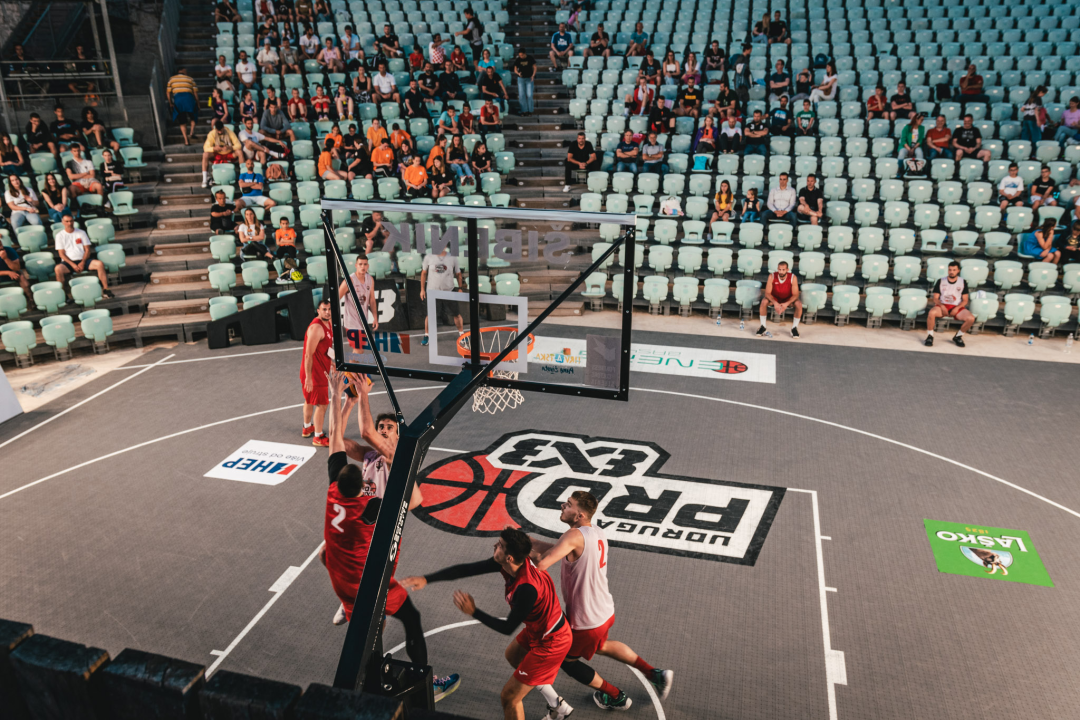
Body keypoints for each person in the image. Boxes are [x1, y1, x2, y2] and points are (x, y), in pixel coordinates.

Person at [319, 372, 460, 703]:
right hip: (368, 565)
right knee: (392, 622)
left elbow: (338, 441)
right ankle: (418, 685)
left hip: (346, 561)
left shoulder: (390, 468)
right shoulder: (370, 475)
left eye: (389, 429)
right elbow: (347, 438)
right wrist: (358, 397)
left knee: (327, 554)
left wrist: (344, 397)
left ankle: (364, 663)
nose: (382, 432)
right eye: (381, 428)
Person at [527, 491, 675, 716]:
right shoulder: (595, 531)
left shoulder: (573, 535)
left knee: (568, 662)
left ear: (579, 515)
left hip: (586, 620)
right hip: (604, 611)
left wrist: (516, 552)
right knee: (602, 645)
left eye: (568, 505)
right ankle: (655, 674)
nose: (562, 506)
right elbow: (557, 550)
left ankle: (615, 696)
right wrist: (528, 541)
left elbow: (541, 565)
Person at [401, 527, 572, 720]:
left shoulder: (526, 589)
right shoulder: (512, 564)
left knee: (510, 698)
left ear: (509, 557)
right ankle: (558, 706)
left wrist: (474, 611)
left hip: (552, 641)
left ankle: (556, 707)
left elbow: (507, 627)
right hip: (541, 628)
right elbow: (467, 569)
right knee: (514, 656)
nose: (495, 545)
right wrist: (426, 579)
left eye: (499, 545)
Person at [53, 212, 112, 297]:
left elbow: (87, 250)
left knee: (99, 264)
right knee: (58, 269)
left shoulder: (81, 232)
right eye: (67, 221)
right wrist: (73, 264)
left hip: (83, 260)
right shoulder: (60, 235)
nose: (69, 223)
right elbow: (61, 254)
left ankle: (106, 289)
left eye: (71, 221)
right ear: (63, 222)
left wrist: (83, 262)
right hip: (69, 263)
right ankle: (63, 294)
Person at [301, 298, 334, 446]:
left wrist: (332, 361)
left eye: (329, 309)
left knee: (309, 400)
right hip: (315, 373)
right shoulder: (317, 328)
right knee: (322, 404)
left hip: (316, 370)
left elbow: (326, 347)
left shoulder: (328, 325)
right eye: (324, 310)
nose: (327, 312)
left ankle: (307, 428)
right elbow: (308, 354)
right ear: (318, 311)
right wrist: (309, 378)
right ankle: (318, 437)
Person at [419, 244, 463, 345]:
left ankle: (462, 335)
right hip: (432, 291)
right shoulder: (428, 257)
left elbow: (458, 274)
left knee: (456, 314)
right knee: (429, 315)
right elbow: (423, 273)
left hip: (449, 291)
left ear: (445, 246)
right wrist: (422, 290)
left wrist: (460, 288)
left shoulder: (452, 257)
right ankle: (427, 336)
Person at [924, 261, 975, 347]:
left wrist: (956, 308)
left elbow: (965, 300)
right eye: (950, 270)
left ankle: (958, 336)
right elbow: (935, 299)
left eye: (954, 270)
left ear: (958, 270)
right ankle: (930, 336)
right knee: (931, 313)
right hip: (942, 305)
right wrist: (942, 306)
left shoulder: (962, 282)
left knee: (971, 318)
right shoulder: (941, 281)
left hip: (957, 306)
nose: (951, 272)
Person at [755, 260, 801, 337]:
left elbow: (796, 295)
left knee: (798, 304)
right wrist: (776, 303)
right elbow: (767, 293)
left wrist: (786, 304)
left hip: (787, 299)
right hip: (775, 299)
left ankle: (794, 328)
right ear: (777, 269)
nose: (781, 271)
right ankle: (763, 326)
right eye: (779, 269)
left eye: (783, 270)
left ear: (787, 269)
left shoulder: (793, 277)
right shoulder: (772, 276)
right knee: (764, 301)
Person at [201, 120, 242, 188]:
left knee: (240, 152)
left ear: (223, 127)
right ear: (216, 129)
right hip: (217, 153)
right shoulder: (212, 133)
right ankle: (204, 179)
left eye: (221, 130)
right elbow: (205, 148)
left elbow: (239, 145)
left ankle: (242, 176)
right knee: (205, 154)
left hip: (228, 153)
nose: (220, 132)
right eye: (218, 131)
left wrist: (230, 147)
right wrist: (214, 148)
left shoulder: (229, 132)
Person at [166, 68, 199, 145]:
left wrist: (170, 102)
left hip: (178, 100)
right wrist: (198, 104)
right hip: (189, 99)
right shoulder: (190, 79)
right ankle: (191, 132)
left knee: (182, 122)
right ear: (183, 71)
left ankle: (186, 140)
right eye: (186, 71)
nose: (187, 72)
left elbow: (168, 92)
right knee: (193, 116)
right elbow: (195, 94)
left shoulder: (171, 79)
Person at [273, 216, 301, 281]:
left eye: (286, 223)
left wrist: (282, 240)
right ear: (280, 224)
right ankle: (283, 271)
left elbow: (292, 241)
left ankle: (292, 270)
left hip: (290, 246)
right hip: (282, 247)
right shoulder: (278, 231)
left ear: (288, 223)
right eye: (283, 223)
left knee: (292, 256)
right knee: (278, 255)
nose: (285, 225)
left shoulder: (291, 230)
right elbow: (277, 243)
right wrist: (286, 241)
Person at [510, 49, 536, 117]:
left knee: (529, 94)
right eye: (520, 55)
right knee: (521, 95)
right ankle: (524, 110)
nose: (521, 56)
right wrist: (518, 73)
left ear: (525, 53)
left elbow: (535, 67)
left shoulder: (530, 58)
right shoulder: (518, 59)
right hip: (521, 79)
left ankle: (530, 110)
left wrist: (533, 75)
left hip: (529, 78)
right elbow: (515, 69)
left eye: (522, 55)